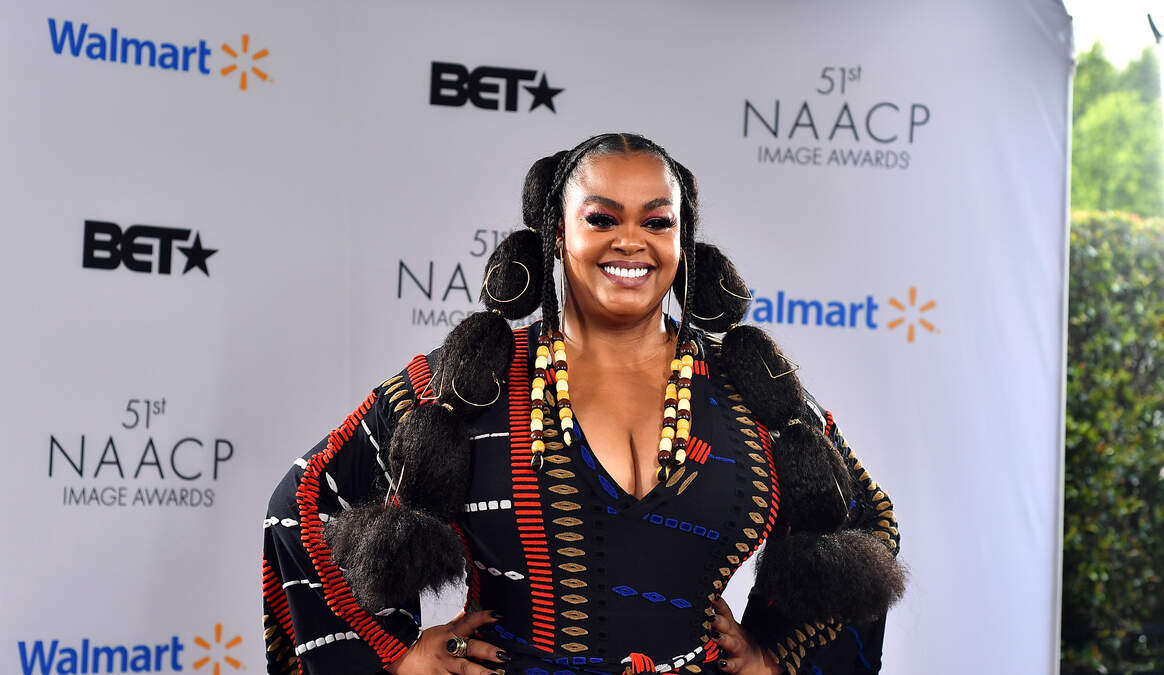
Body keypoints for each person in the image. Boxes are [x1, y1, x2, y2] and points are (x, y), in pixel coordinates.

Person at [262, 133, 905, 675]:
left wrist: (779, 654)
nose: (631, 241)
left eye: (657, 222)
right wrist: (394, 655)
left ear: (683, 243)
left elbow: (863, 528)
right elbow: (305, 501)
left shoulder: (753, 396)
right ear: (555, 235)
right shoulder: (467, 384)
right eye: (602, 219)